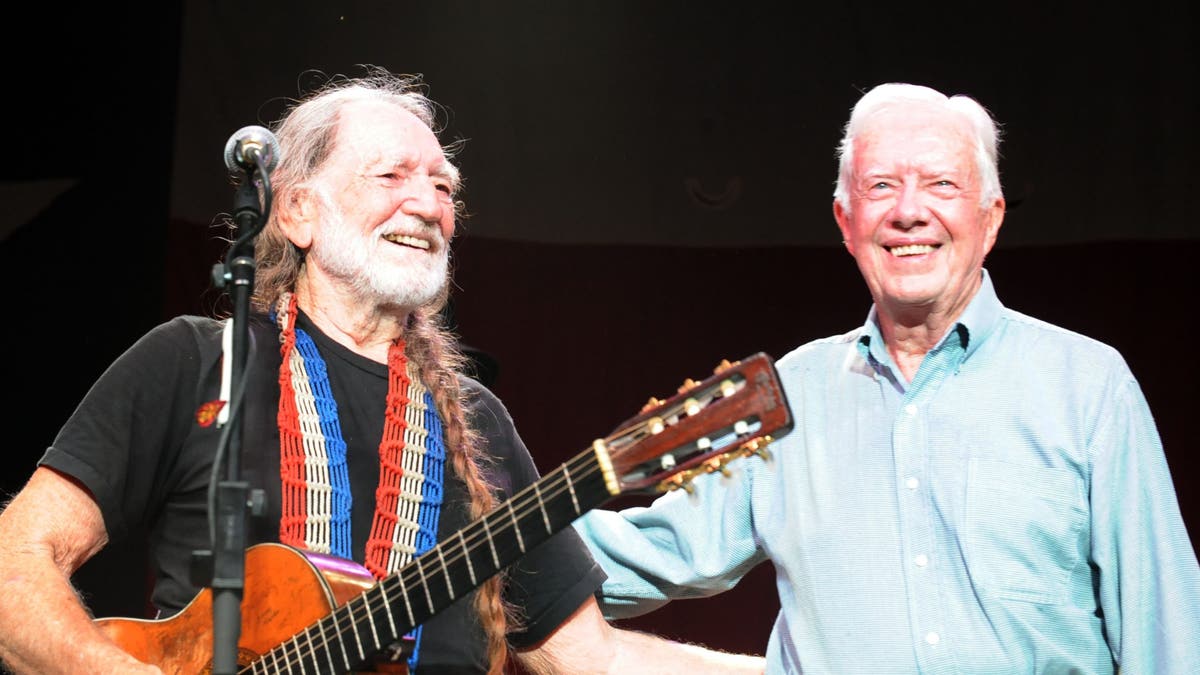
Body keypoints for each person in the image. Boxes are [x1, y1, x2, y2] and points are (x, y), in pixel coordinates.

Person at [0, 69, 767, 674]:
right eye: (392, 176)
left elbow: (594, 657)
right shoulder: (198, 361)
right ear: (297, 213)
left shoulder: (478, 422)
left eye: (443, 186)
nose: (428, 204)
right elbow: (15, 563)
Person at [574, 82, 1200, 673]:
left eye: (941, 184)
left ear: (991, 217)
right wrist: (488, 549)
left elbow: (1165, 636)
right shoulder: (790, 393)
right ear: (846, 222)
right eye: (880, 186)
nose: (908, 212)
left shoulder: (1088, 386)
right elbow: (653, 552)